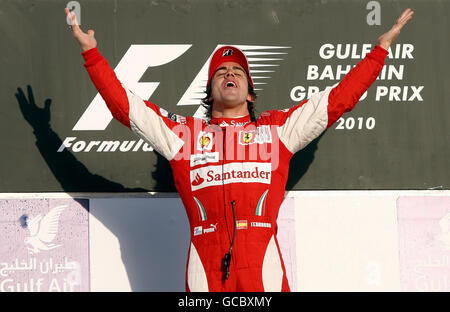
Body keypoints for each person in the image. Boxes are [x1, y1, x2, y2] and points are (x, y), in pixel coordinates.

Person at [65, 7, 413, 292]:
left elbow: (337, 101)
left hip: (263, 269)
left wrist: (380, 51)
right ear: (210, 91)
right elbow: (126, 107)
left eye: (237, 71)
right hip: (206, 270)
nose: (229, 74)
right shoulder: (183, 135)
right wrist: (90, 53)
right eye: (220, 72)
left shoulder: (277, 130)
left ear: (249, 92)